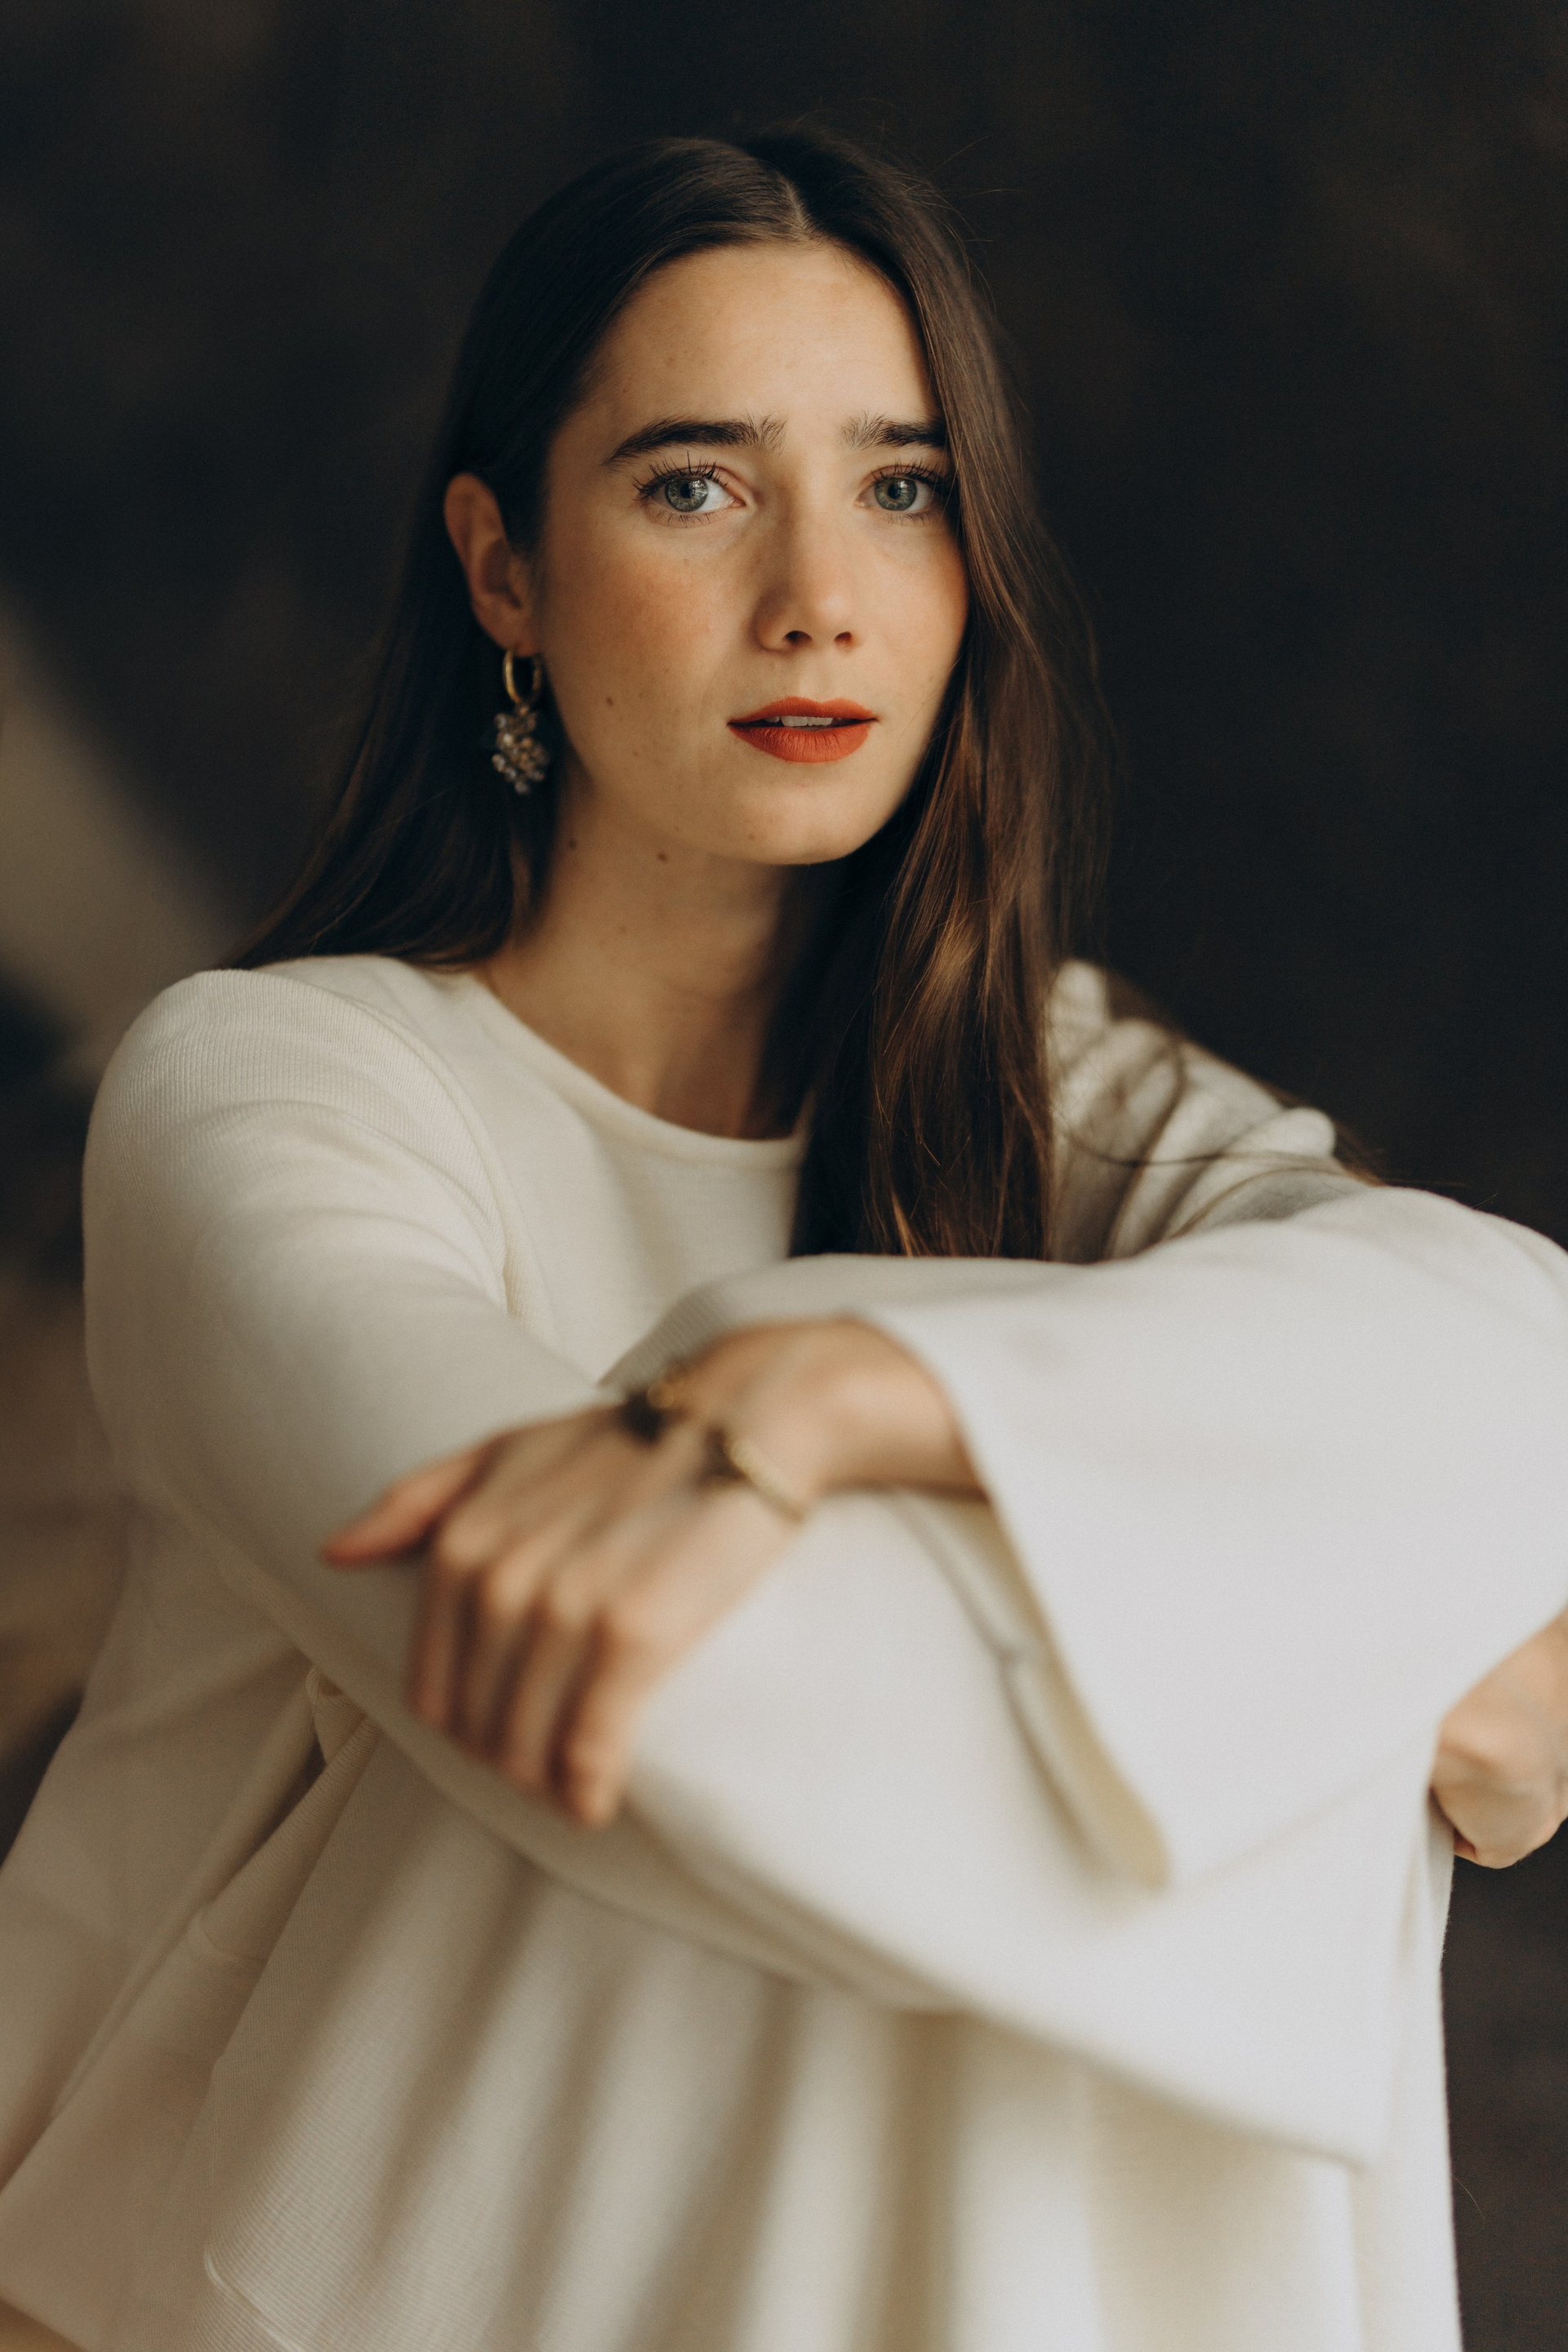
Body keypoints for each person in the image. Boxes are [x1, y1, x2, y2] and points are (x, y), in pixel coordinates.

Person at [0, 129, 1565, 2352]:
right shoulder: (264, 1093)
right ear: (504, 568)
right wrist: (1358, 1657)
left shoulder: (1048, 1078)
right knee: (735, 1815)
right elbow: (670, 1717)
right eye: (696, 486)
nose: (820, 592)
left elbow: (1513, 1340)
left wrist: (851, 1387)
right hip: (250, 2281)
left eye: (902, 487)